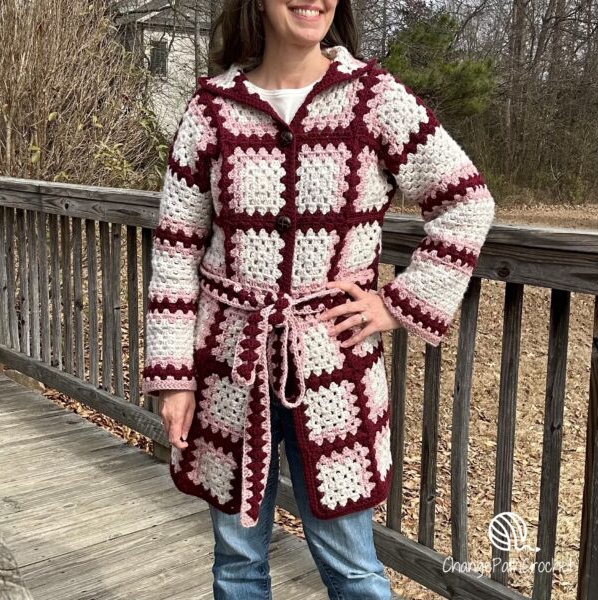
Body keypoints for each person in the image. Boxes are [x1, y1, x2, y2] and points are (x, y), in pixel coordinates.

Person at [141, 0, 495, 598]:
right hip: (230, 370)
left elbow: (467, 203)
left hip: (335, 368)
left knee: (353, 567)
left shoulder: (373, 98)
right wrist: (173, 377)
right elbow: (177, 251)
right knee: (235, 563)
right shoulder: (210, 111)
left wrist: (397, 305)